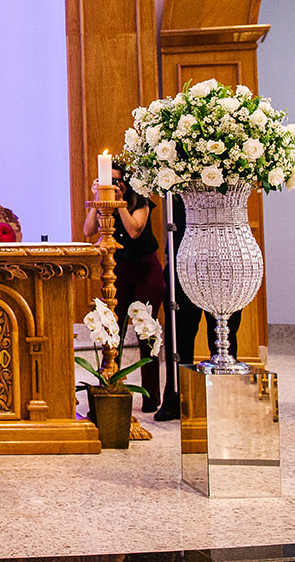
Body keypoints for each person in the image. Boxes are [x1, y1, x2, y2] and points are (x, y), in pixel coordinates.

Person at [83, 160, 166, 414]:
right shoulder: (103, 201)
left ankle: (151, 398)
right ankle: (109, 391)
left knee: (146, 334)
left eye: (118, 181)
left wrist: (118, 204)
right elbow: (87, 230)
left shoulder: (140, 200)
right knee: (111, 330)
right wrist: (97, 198)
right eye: (111, 180)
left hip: (145, 270)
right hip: (118, 270)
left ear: (127, 183)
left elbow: (134, 231)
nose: (115, 185)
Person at [153, 194, 242, 422]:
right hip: (184, 259)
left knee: (224, 335)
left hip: (222, 261)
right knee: (180, 335)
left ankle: (222, 398)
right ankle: (176, 398)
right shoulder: (179, 181)